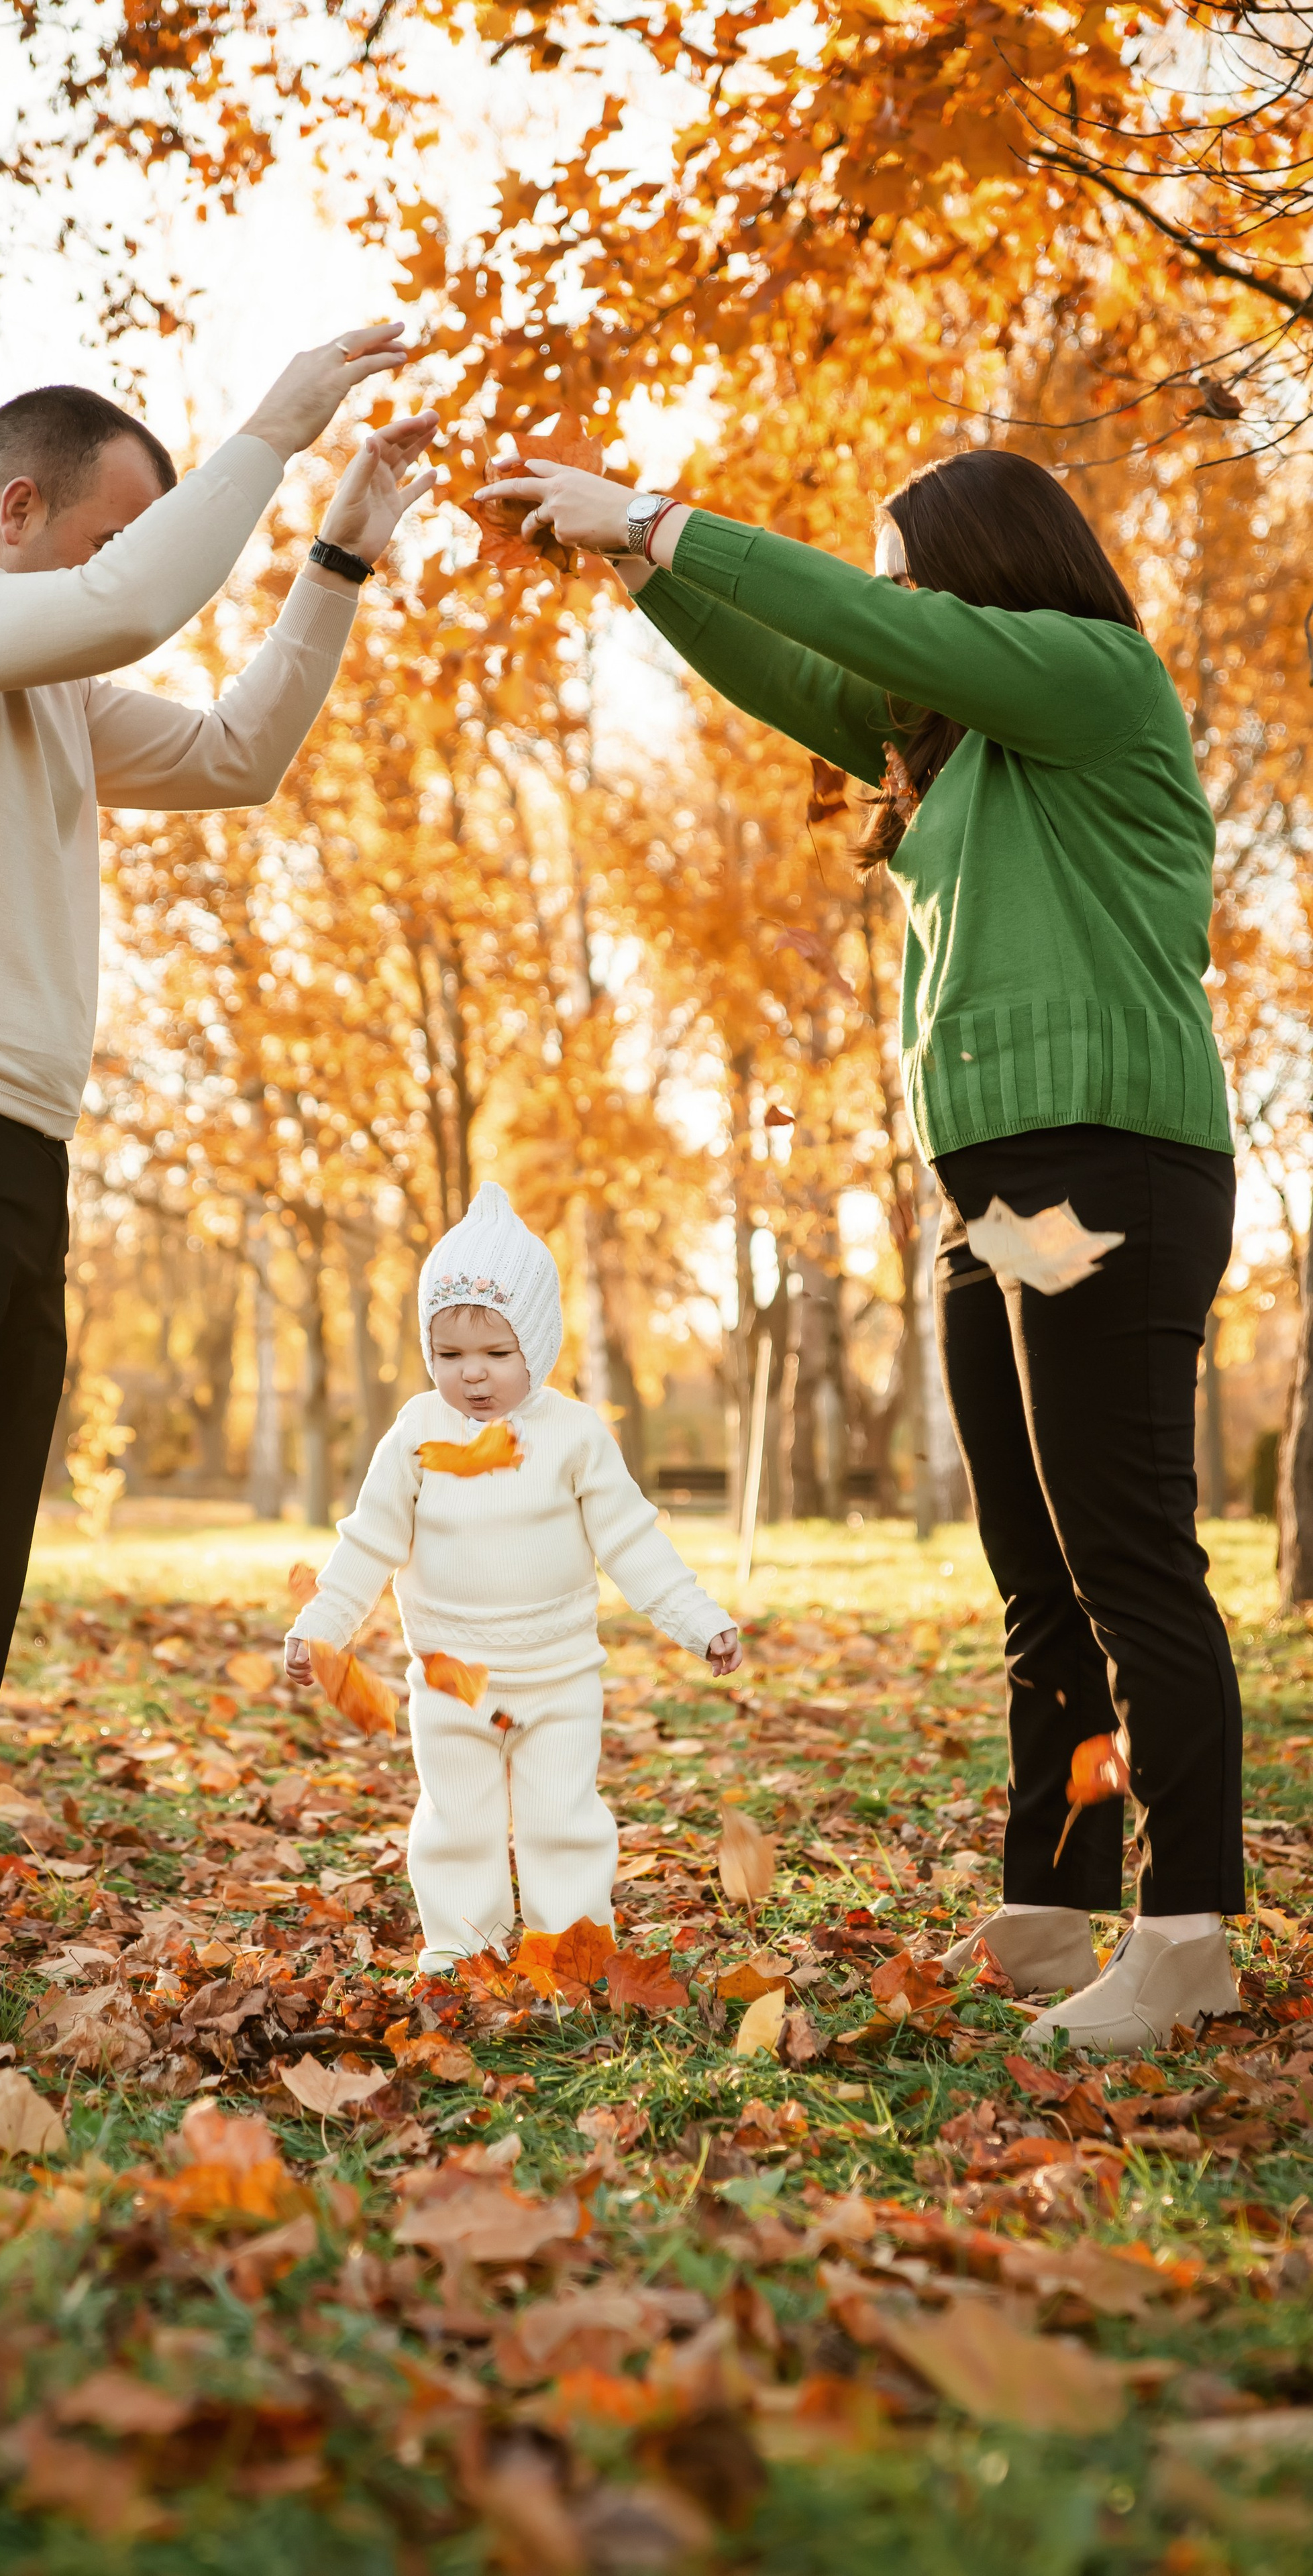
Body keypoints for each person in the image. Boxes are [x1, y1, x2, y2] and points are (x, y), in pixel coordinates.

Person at [481, 446, 1243, 2054]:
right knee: (1036, 1567)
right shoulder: (952, 744)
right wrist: (633, 568)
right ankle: (1055, 1887)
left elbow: (854, 628)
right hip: (1003, 1196)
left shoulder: (1091, 679)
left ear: (983, 569)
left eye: (904, 575)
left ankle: (1184, 1929)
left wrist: (663, 517)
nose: (881, 603)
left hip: (1105, 1162)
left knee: (1123, 1559)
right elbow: (794, 663)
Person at [0, 331, 440, 2061]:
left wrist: (334, 555)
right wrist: (274, 428)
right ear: (23, 508)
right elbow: (133, 608)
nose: (131, 574)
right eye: (110, 536)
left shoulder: (41, 696)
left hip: (4, 1159)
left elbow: (233, 751)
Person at [283, 1183, 741, 1973]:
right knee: (457, 1819)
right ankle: (467, 1948)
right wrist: (321, 1629)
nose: (473, 1376)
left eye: (498, 1354)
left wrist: (699, 1620)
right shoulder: (416, 1434)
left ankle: (569, 1948)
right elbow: (368, 1544)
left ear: (538, 1343)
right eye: (450, 1355)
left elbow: (633, 1542)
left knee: (561, 1815)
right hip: (450, 1681)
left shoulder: (572, 1437)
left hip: (559, 1679)